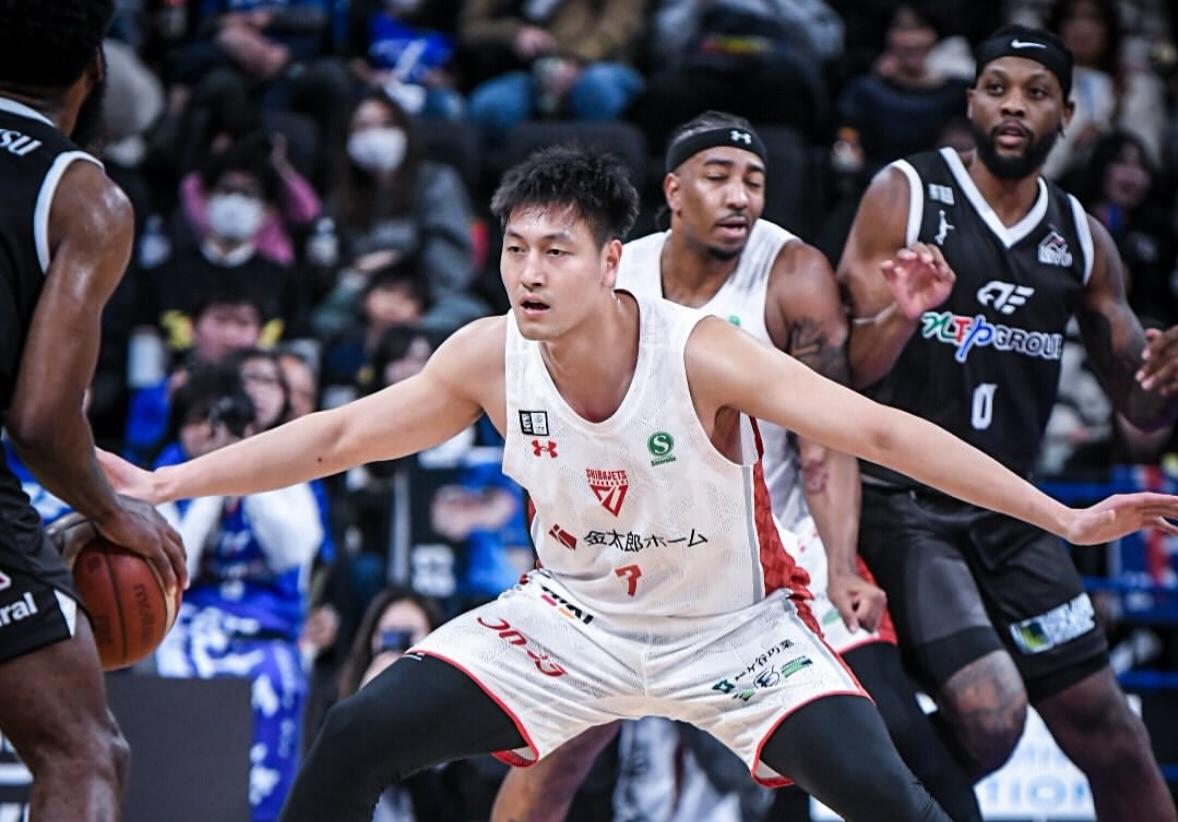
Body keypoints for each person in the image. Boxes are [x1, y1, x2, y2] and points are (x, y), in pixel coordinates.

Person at [98, 145, 1178, 822]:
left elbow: (879, 429)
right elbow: (335, 437)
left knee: (897, 802)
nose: (529, 273)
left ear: (612, 260)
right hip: (571, 625)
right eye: (515, 249)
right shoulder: (487, 355)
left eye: (555, 252)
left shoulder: (701, 351)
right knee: (353, 736)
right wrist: (166, 478)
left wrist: (1058, 513)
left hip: (735, 636)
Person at [491, 111, 981, 822]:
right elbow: (560, 419)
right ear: (674, 191)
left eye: (754, 181)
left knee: (893, 736)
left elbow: (825, 436)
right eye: (718, 177)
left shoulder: (793, 272)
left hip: (772, 545)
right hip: (635, 553)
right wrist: (561, 557)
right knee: (552, 759)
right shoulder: (610, 274)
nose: (739, 197)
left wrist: (842, 562)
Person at [838, 25, 1178, 821]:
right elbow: (846, 376)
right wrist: (901, 315)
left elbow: (1142, 412)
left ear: (1068, 114)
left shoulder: (1083, 240)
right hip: (906, 504)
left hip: (1015, 512)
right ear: (972, 102)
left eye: (1035, 93)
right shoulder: (907, 192)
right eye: (997, 89)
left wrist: (1167, 379)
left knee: (1115, 735)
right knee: (991, 718)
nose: (1013, 106)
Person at [0, 2, 186, 819]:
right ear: (93, 73)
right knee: (82, 755)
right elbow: (41, 422)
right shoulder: (81, 196)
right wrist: (111, 511)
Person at [153, 362, 323, 822]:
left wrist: (245, 467)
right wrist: (213, 481)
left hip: (266, 632)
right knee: (176, 670)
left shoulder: (285, 465)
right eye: (198, 420)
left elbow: (293, 552)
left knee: (277, 679)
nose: (209, 432)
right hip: (193, 629)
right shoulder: (169, 470)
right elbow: (177, 565)